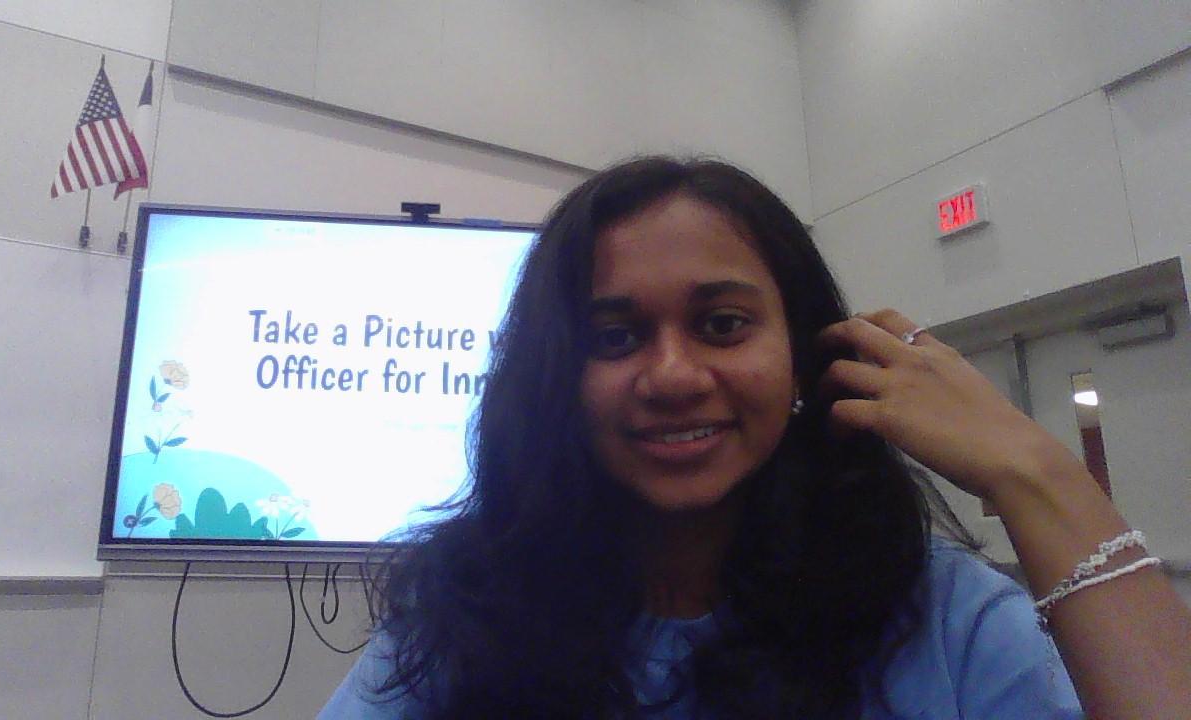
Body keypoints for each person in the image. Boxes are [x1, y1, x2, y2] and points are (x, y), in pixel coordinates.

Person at [318, 157, 1191, 719]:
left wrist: (1035, 471)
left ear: (804, 355)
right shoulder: (470, 620)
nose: (673, 375)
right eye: (615, 337)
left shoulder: (948, 623)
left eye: (723, 325)